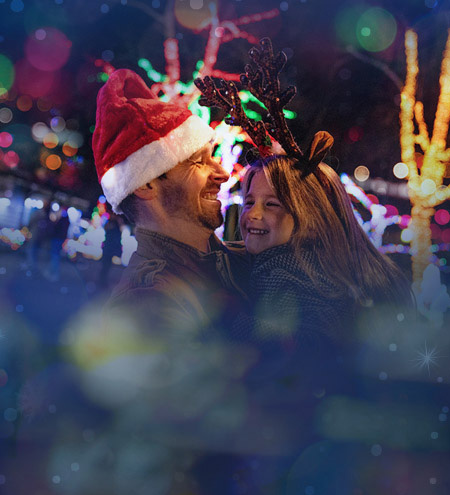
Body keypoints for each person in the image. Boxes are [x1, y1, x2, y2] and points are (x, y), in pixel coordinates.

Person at [92, 69, 249, 338]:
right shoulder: (147, 306)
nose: (223, 174)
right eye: (199, 162)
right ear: (146, 185)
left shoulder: (235, 259)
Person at [236, 153, 413, 354]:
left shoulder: (283, 271)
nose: (253, 214)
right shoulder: (346, 267)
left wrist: (229, 321)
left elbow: (280, 341)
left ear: (311, 217)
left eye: (272, 204)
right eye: (249, 202)